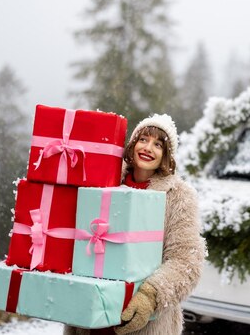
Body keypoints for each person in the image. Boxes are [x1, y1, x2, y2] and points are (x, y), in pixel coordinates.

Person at [64, 114, 206, 335]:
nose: (148, 148)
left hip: (144, 322)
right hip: (93, 313)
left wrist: (150, 296)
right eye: (143, 139)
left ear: (166, 155)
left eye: (158, 144)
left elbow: (186, 261)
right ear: (132, 144)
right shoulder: (105, 181)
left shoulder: (179, 197)